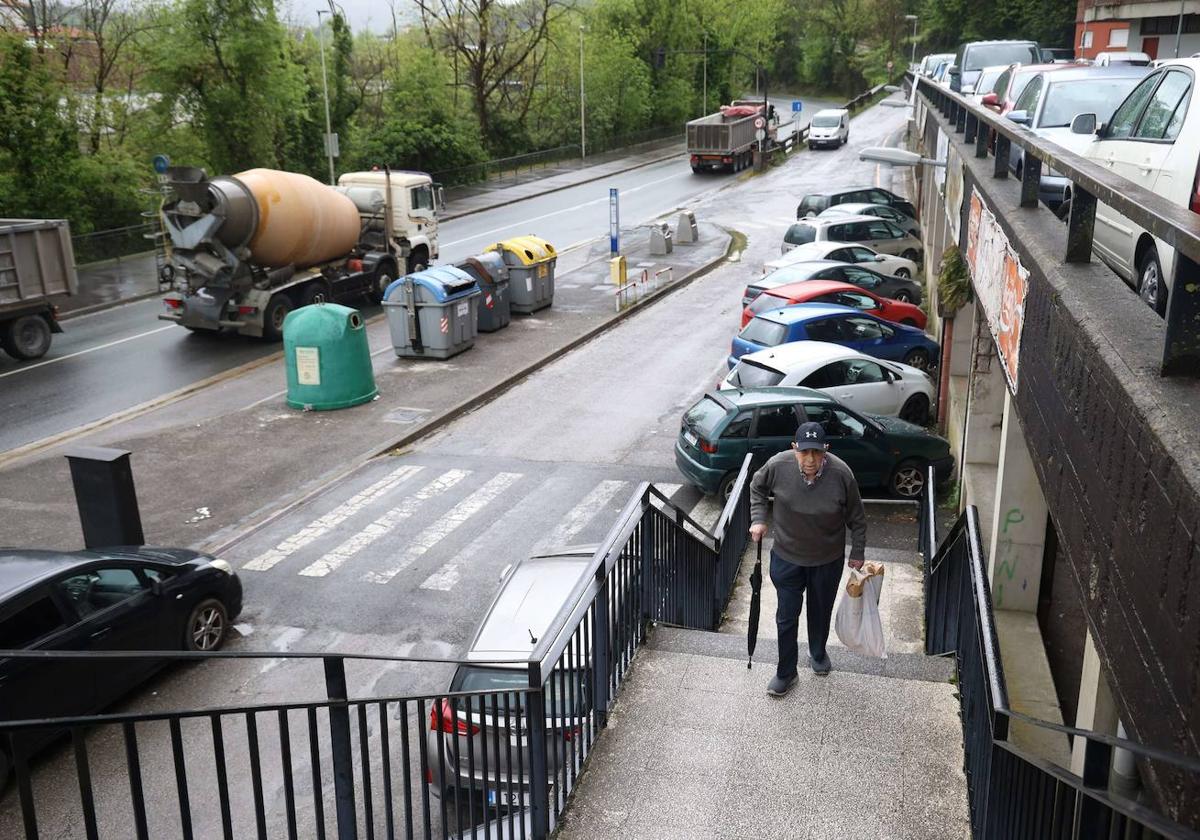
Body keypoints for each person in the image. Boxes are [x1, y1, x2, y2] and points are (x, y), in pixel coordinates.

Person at [749, 421, 866, 696]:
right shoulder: (778, 465)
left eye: (817, 452)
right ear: (794, 449)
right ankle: (786, 672)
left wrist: (858, 552)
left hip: (827, 559)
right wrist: (758, 519)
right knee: (786, 617)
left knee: (820, 610)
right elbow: (757, 487)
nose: (810, 459)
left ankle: (817, 651)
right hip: (787, 557)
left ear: (825, 450)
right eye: (804, 452)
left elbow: (857, 518)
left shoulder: (841, 474)